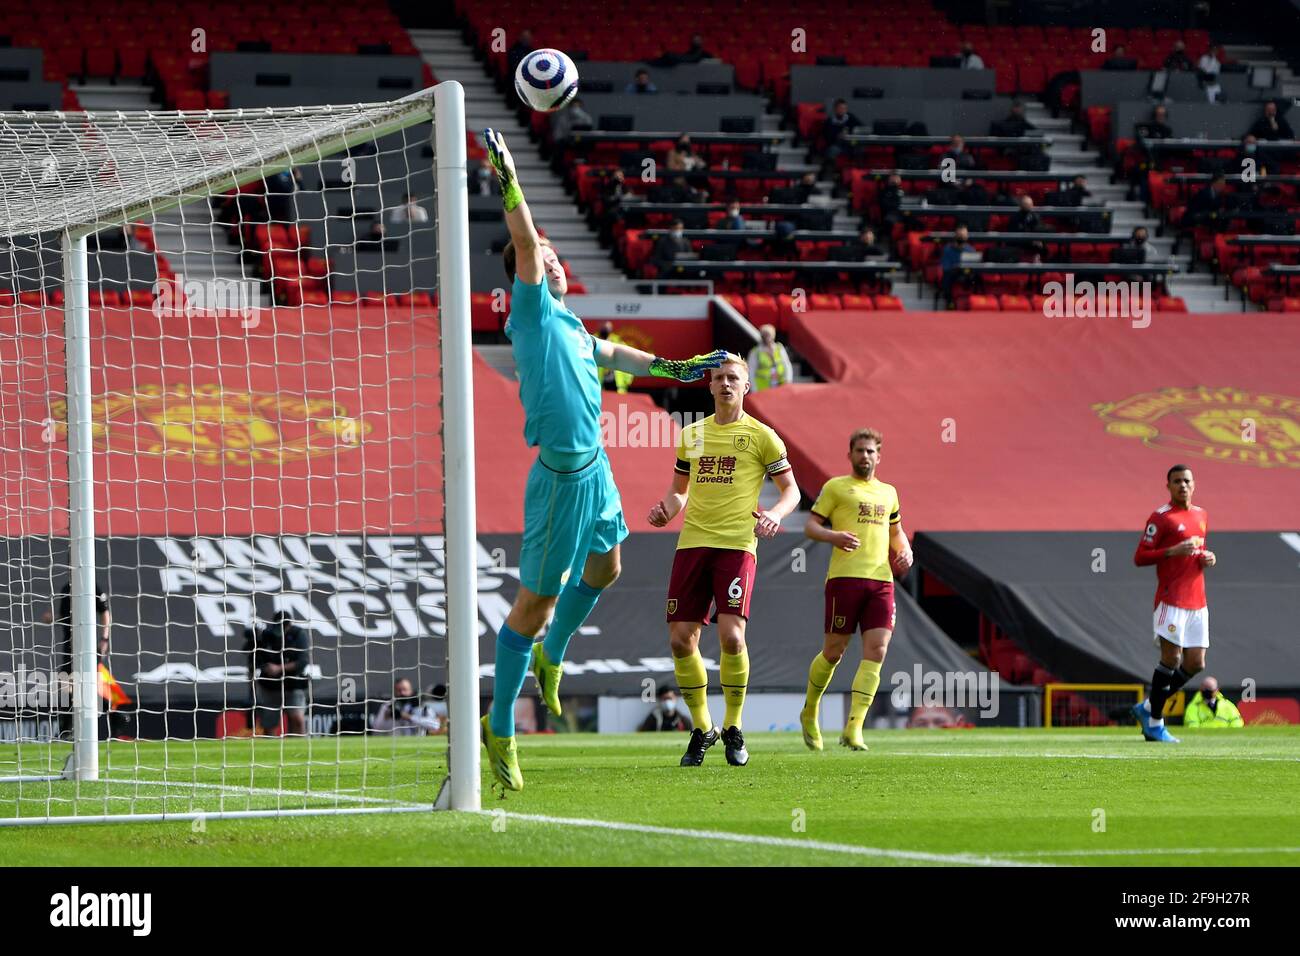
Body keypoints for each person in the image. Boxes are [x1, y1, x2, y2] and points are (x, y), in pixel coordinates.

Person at [479, 128, 725, 791]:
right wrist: (509, 178)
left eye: (557, 256)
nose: (553, 260)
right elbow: (526, 241)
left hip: (597, 471)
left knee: (610, 566)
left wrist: (683, 367)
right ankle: (499, 729)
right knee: (531, 608)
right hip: (560, 481)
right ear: (528, 275)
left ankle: (554, 655)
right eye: (545, 257)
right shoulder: (529, 314)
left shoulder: (576, 328)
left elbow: (625, 359)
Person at [647, 354, 800, 768]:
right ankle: (702, 728)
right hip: (693, 544)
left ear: (746, 386)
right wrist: (666, 509)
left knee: (732, 638)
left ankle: (733, 726)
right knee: (681, 640)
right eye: (719, 378)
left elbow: (792, 491)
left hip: (737, 545)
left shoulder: (764, 437)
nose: (727, 384)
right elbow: (679, 490)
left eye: (734, 377)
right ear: (710, 386)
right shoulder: (692, 435)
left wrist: (775, 514)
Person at [799, 428, 913, 751]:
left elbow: (897, 532)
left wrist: (906, 550)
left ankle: (855, 727)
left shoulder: (889, 493)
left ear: (879, 456)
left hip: (881, 580)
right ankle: (810, 709)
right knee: (834, 652)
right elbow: (811, 526)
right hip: (845, 579)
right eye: (859, 451)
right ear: (849, 455)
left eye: (870, 451)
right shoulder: (836, 488)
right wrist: (834, 537)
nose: (865, 456)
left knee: (877, 651)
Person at [1130, 465, 1216, 743]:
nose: (1182, 485)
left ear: (1194, 484)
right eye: (1177, 481)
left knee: (1196, 662)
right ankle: (1155, 723)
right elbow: (1140, 557)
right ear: (1168, 486)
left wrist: (1207, 558)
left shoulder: (1201, 515)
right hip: (1171, 599)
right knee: (1171, 658)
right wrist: (1171, 551)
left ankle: (1146, 707)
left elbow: (1197, 551)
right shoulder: (1161, 518)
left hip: (1197, 599)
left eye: (1187, 481)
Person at [46, 578, 115, 738]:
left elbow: (104, 612)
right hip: (70, 645)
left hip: (87, 646)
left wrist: (104, 639)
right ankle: (68, 728)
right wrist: (53, 618)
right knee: (69, 685)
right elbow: (67, 617)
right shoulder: (66, 588)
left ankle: (115, 718)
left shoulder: (91, 584)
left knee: (85, 685)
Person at [242, 611, 311, 736]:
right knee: (269, 723)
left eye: (284, 625)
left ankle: (299, 748)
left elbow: (303, 661)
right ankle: (270, 749)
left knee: (298, 719)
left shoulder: (298, 635)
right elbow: (253, 656)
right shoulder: (267, 634)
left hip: (293, 685)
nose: (281, 629)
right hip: (270, 686)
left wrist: (279, 668)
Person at [372, 678, 444, 735]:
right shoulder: (388, 706)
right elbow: (376, 728)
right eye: (399, 690)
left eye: (405, 690)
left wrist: (408, 717)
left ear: (411, 691)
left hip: (418, 744)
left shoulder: (422, 707)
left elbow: (435, 725)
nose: (402, 693)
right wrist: (386, 717)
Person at [746, 324, 793, 391]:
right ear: (761, 336)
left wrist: (788, 380)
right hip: (762, 388)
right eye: (764, 334)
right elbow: (751, 371)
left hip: (780, 385)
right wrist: (754, 388)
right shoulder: (755, 352)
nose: (767, 337)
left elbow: (787, 365)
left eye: (769, 334)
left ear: (773, 335)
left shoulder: (779, 348)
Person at [939, 224, 976, 304]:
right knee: (948, 275)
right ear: (956, 236)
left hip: (967, 276)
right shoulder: (947, 249)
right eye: (960, 235)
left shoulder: (971, 250)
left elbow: (974, 266)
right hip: (952, 276)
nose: (962, 237)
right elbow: (946, 267)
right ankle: (949, 302)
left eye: (964, 235)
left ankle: (974, 302)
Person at [822, 98, 862, 167]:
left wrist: (852, 133)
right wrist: (837, 136)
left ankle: (854, 170)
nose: (842, 110)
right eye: (840, 108)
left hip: (849, 144)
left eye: (844, 108)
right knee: (833, 151)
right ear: (835, 109)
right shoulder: (829, 121)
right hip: (836, 145)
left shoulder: (850, 118)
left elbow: (861, 127)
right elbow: (827, 137)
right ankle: (834, 171)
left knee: (859, 150)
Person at [597, 321, 633, 393]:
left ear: (611, 329)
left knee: (621, 404)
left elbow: (629, 358)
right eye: (604, 327)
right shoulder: (593, 341)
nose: (605, 329)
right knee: (605, 404)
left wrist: (627, 381)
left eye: (607, 328)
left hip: (617, 384)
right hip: (599, 384)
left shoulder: (617, 341)